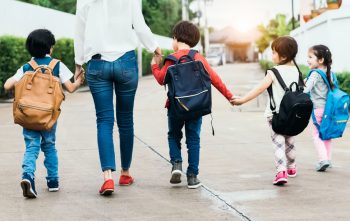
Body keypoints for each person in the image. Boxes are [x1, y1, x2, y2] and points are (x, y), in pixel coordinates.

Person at [74, 0, 161, 195]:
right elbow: (139, 24)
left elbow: (79, 31)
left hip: (97, 63)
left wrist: (78, 63)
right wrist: (154, 46)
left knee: (104, 120)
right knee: (125, 119)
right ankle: (125, 173)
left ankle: (107, 178)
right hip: (126, 62)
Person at [151, 21, 234, 189]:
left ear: (175, 38)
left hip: (175, 107)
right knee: (193, 140)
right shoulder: (198, 57)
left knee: (173, 135)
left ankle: (176, 164)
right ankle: (192, 177)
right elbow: (214, 79)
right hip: (196, 107)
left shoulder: (171, 59)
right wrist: (229, 96)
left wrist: (154, 64)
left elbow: (161, 79)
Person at [4, 29, 84, 198]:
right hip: (48, 117)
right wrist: (78, 81)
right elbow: (70, 88)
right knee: (49, 146)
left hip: (28, 116)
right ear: (50, 48)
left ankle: (28, 176)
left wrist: (15, 80)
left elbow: (7, 86)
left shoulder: (27, 67)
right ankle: (53, 181)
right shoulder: (57, 65)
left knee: (31, 147)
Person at [232, 36, 302, 186]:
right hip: (292, 115)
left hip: (275, 116)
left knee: (278, 143)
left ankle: (281, 172)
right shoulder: (297, 71)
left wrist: (242, 100)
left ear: (283, 55)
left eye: (274, 52)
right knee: (290, 142)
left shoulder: (273, 72)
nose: (272, 55)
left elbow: (259, 89)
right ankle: (292, 167)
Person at [304, 45, 334, 171]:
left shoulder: (315, 74)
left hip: (317, 110)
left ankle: (323, 160)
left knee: (317, 135)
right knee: (327, 135)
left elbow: (306, 90)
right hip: (329, 110)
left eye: (310, 57)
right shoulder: (329, 72)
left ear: (320, 60)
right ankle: (328, 159)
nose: (307, 60)